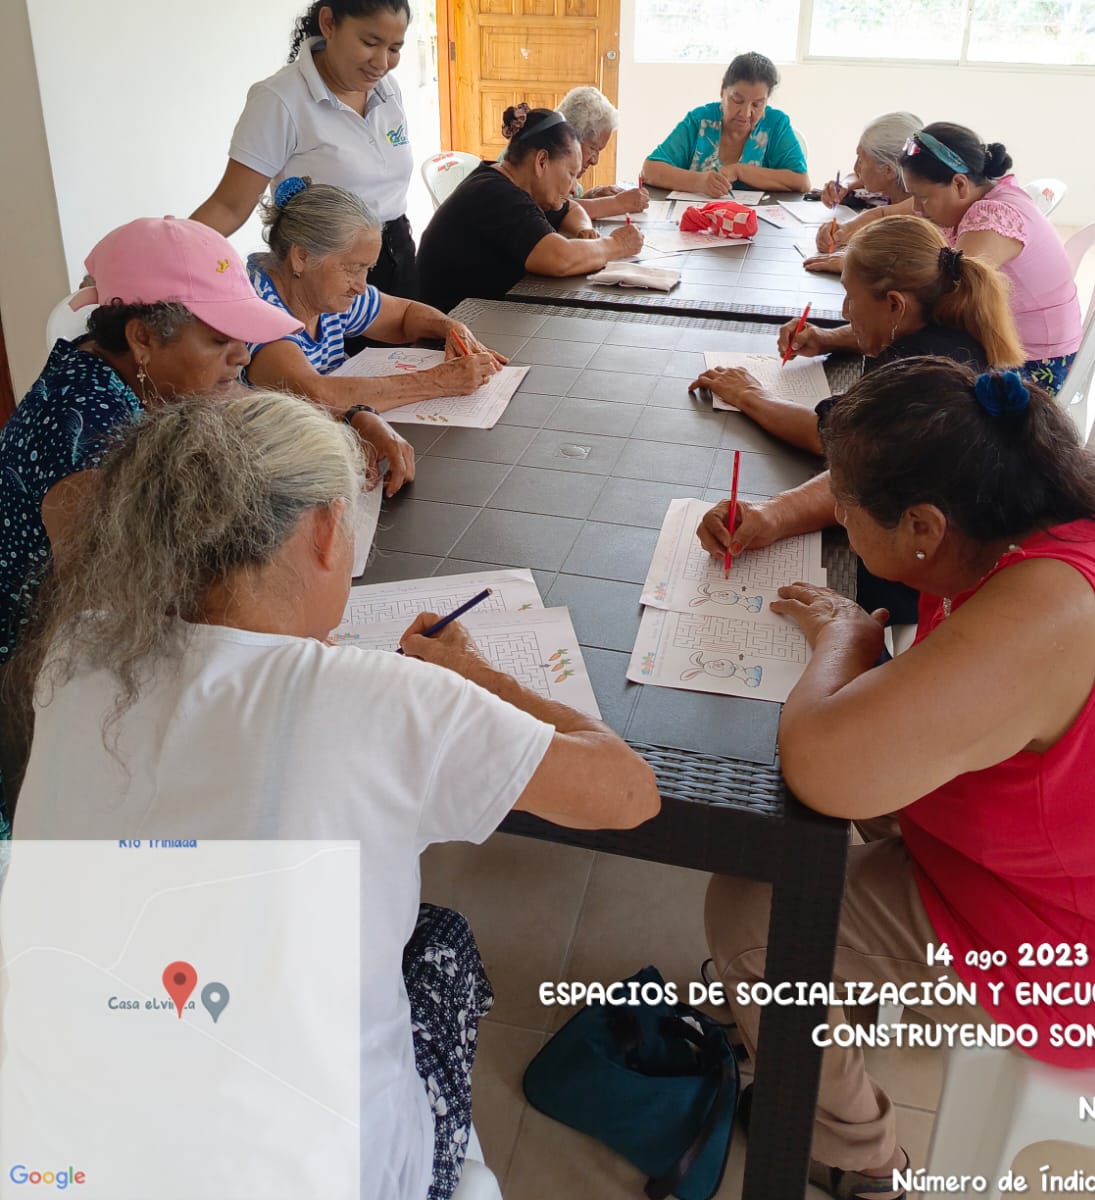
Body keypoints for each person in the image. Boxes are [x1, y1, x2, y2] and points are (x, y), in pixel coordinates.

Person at [9, 390, 660, 1200]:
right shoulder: (381, 699)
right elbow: (628, 792)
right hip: (302, 1173)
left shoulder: (74, 654)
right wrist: (472, 675)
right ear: (324, 529)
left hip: (58, 1155)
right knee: (442, 946)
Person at [701, 358, 1095, 1200]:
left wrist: (846, 638)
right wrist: (782, 518)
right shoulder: (1037, 520)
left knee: (754, 912)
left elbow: (820, 765)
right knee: (842, 803)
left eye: (850, 515)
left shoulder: (1036, 614)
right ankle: (814, 1008)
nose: (842, 525)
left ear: (922, 527)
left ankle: (858, 1158)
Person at [0, 216, 311, 841]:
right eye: (221, 338)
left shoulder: (114, 372)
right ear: (142, 337)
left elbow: (239, 398)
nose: (242, 355)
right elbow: (106, 625)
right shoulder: (88, 443)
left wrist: (349, 417)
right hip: (42, 709)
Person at [689, 215, 1024, 455]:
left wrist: (748, 393)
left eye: (850, 296)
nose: (845, 311)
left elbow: (830, 435)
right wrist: (826, 339)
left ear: (894, 304)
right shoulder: (948, 322)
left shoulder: (914, 374)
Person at [192, 0, 421, 298]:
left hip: (395, 251)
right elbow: (229, 206)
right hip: (324, 268)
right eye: (370, 43)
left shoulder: (387, 89)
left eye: (395, 49)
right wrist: (165, 257)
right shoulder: (280, 100)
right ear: (328, 23)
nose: (382, 62)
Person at [244, 178, 505, 412]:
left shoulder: (318, 292)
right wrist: (439, 381)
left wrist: (451, 327)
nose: (361, 286)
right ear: (302, 257)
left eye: (367, 270)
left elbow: (404, 315)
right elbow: (315, 396)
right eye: (352, 268)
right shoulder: (258, 312)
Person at [897, 124, 1081, 393]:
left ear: (959, 184)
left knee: (910, 367)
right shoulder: (990, 194)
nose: (916, 208)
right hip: (1027, 348)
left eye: (922, 198)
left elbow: (945, 296)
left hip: (1038, 364)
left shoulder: (991, 217)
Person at [416, 105, 643, 313]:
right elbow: (559, 259)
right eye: (571, 174)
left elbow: (571, 208)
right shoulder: (495, 194)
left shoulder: (514, 183)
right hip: (445, 331)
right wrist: (617, 244)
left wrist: (584, 230)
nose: (574, 188)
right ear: (541, 161)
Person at [642, 51, 809, 196]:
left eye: (757, 104)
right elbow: (650, 170)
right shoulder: (700, 120)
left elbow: (801, 182)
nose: (745, 113)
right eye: (737, 100)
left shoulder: (776, 124)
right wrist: (700, 182)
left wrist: (739, 170)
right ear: (723, 90)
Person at [808, 111, 923, 266]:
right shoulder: (906, 186)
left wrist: (854, 262)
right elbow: (860, 181)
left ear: (889, 170)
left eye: (861, 159)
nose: (856, 167)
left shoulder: (922, 206)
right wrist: (843, 231)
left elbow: (883, 215)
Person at [556, 86, 649, 221]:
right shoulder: (549, 168)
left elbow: (571, 204)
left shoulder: (569, 176)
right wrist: (617, 203)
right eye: (593, 148)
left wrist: (591, 196)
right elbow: (557, 210)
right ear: (571, 137)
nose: (595, 161)